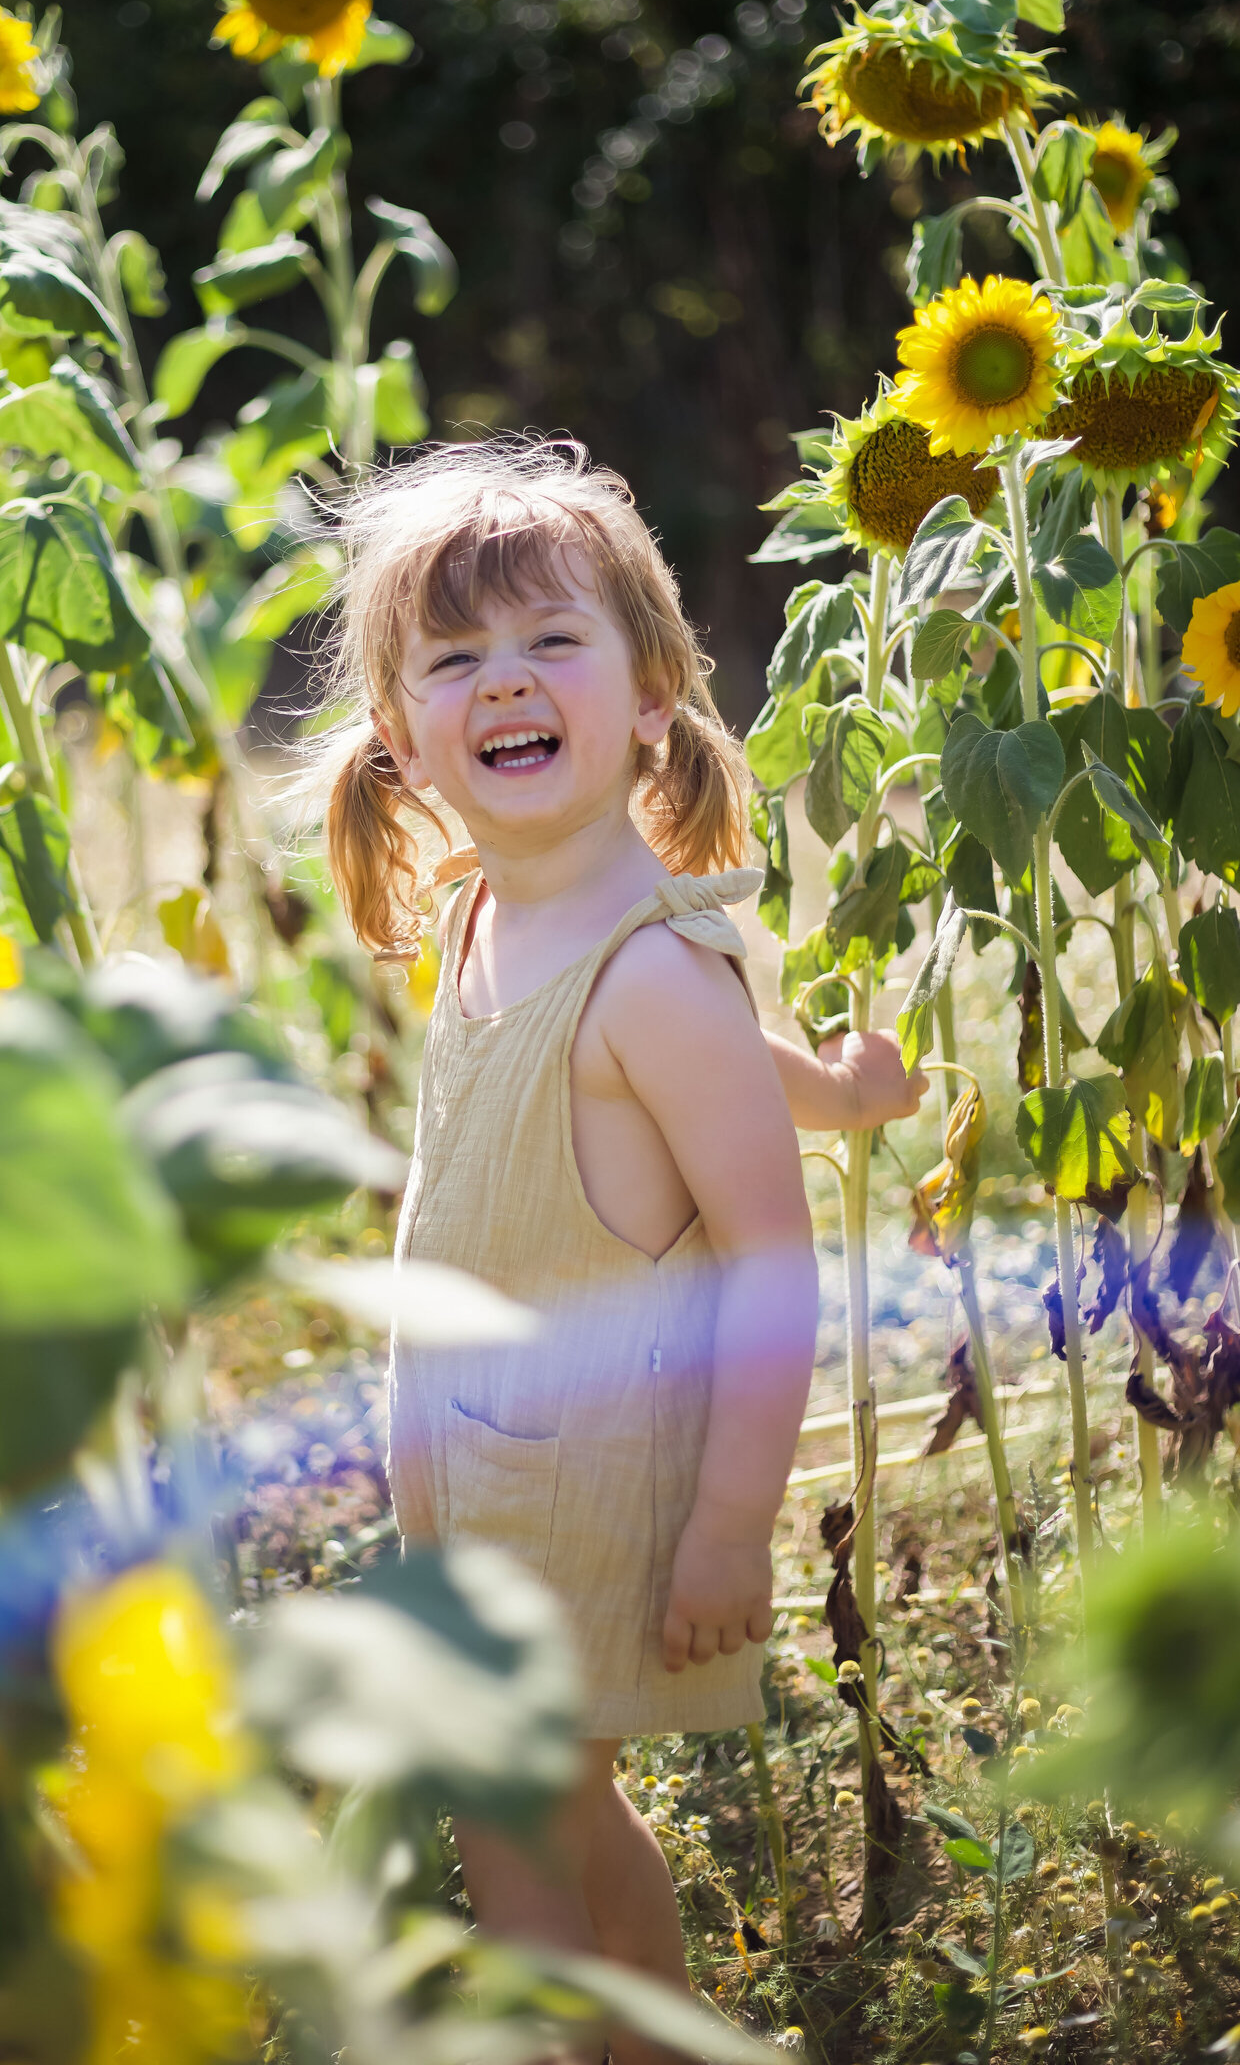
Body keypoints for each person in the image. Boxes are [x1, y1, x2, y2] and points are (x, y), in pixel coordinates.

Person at [311, 440, 924, 2061]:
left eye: (550, 642)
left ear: (652, 696)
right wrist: (837, 1089)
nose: (503, 681)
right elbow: (720, 1082)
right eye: (454, 660)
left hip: (586, 1484)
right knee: (547, 1803)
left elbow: (768, 1261)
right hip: (477, 1464)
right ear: (400, 738)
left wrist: (731, 1527)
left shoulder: (648, 979)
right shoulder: (482, 917)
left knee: (518, 1802)